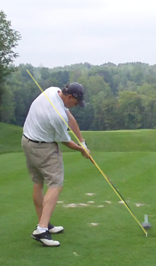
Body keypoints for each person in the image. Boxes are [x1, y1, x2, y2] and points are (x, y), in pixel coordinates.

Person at [22, 82, 90, 247]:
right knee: (56, 184)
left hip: (27, 141)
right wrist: (82, 150)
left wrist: (82, 141)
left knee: (38, 183)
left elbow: (70, 117)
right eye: (75, 102)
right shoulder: (57, 115)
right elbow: (65, 141)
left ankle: (43, 223)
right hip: (44, 147)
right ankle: (42, 229)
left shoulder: (52, 91)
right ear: (69, 97)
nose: (75, 106)